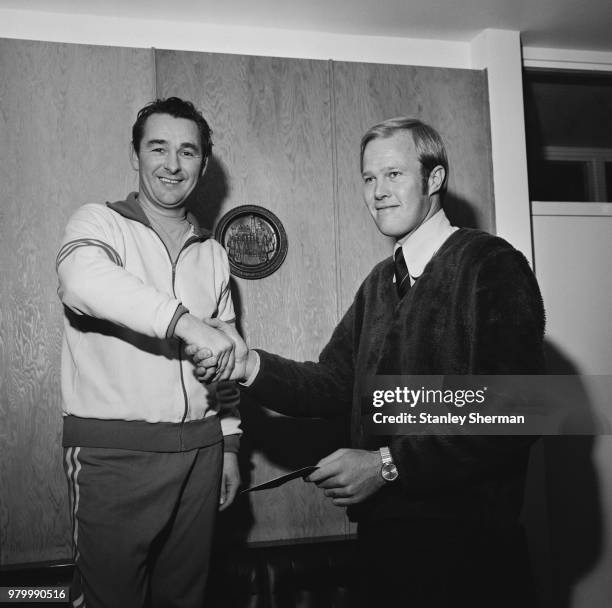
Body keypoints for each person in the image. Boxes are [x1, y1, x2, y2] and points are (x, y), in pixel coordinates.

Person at [191, 117, 545, 606]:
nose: (378, 191)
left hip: (469, 558)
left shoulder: (490, 263)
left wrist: (387, 464)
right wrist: (248, 364)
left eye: (394, 174)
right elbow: (333, 384)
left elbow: (520, 407)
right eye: (368, 178)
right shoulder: (380, 282)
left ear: (434, 179)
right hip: (387, 547)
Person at [56, 97, 241, 608]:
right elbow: (80, 280)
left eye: (188, 151)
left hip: (202, 454)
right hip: (114, 455)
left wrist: (228, 445)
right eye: (157, 148)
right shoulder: (99, 222)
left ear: (203, 163)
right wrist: (185, 325)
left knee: (185, 599)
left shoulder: (213, 253)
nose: (172, 164)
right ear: (135, 155)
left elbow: (225, 355)